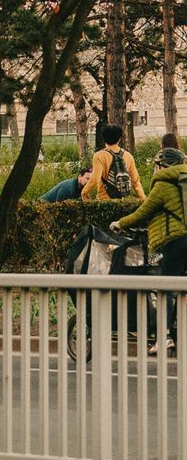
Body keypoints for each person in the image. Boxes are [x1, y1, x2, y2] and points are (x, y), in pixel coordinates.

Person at [113, 135, 187, 342]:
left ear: (164, 165)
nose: (156, 168)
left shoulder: (163, 185)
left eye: (157, 165)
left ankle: (166, 335)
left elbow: (142, 212)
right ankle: (179, 330)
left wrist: (119, 223)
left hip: (174, 241)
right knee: (182, 286)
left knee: (166, 287)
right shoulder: (183, 182)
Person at [82, 123, 144, 204]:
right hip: (123, 202)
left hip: (104, 202)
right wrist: (142, 199)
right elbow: (135, 181)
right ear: (119, 138)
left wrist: (84, 192)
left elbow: (95, 179)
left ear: (103, 138)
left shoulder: (99, 156)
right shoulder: (128, 156)